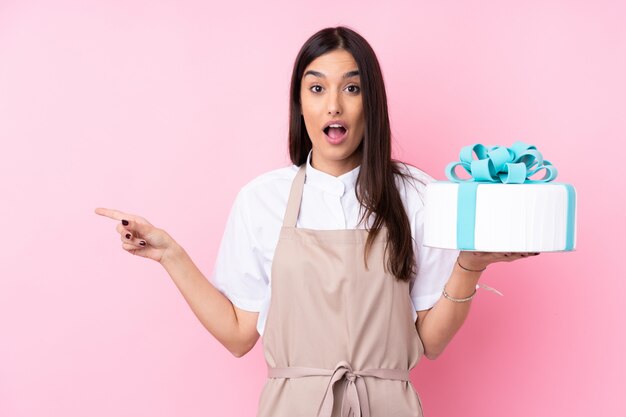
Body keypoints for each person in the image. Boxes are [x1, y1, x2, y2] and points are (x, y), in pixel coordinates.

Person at [95, 26, 539, 417]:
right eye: (316, 88)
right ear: (299, 103)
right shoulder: (261, 200)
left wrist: (471, 264)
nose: (334, 106)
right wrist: (170, 254)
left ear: (372, 102)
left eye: (351, 88)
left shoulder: (416, 194)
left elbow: (431, 340)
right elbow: (237, 335)